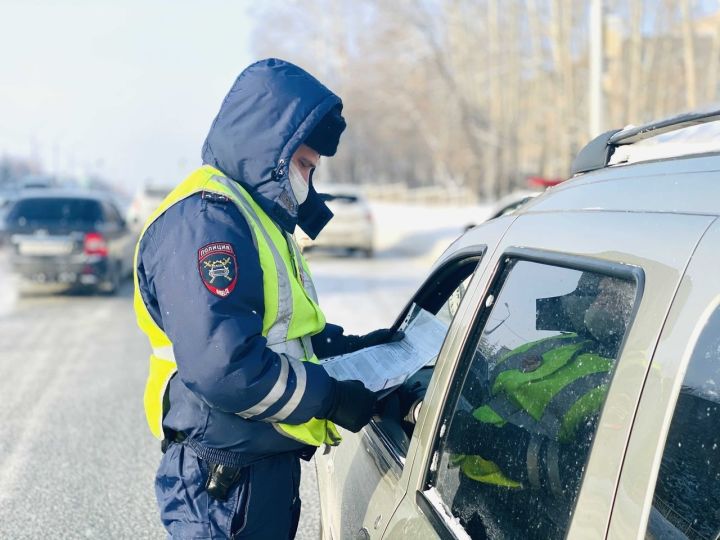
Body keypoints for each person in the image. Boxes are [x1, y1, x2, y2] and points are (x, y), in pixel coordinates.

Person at [133, 58, 400, 539]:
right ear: (270, 150)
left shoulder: (251, 216)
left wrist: (361, 348)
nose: (307, 179)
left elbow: (286, 336)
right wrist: (333, 397)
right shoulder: (207, 223)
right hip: (223, 482)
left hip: (255, 467)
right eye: (302, 164)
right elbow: (226, 368)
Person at [447, 275, 635, 537]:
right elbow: (497, 385)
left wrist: (480, 438)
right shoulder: (571, 343)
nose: (603, 286)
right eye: (603, 279)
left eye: (619, 281)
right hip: (472, 495)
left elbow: (578, 474)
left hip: (518, 520)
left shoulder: (634, 381)